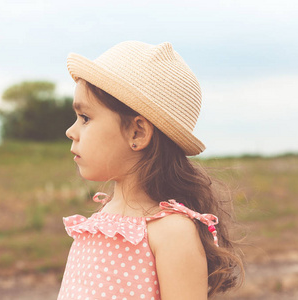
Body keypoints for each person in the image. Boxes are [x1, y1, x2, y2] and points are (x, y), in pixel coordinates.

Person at [58, 41, 243, 300]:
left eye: (85, 118)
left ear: (138, 132)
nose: (71, 131)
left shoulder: (172, 232)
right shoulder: (102, 220)